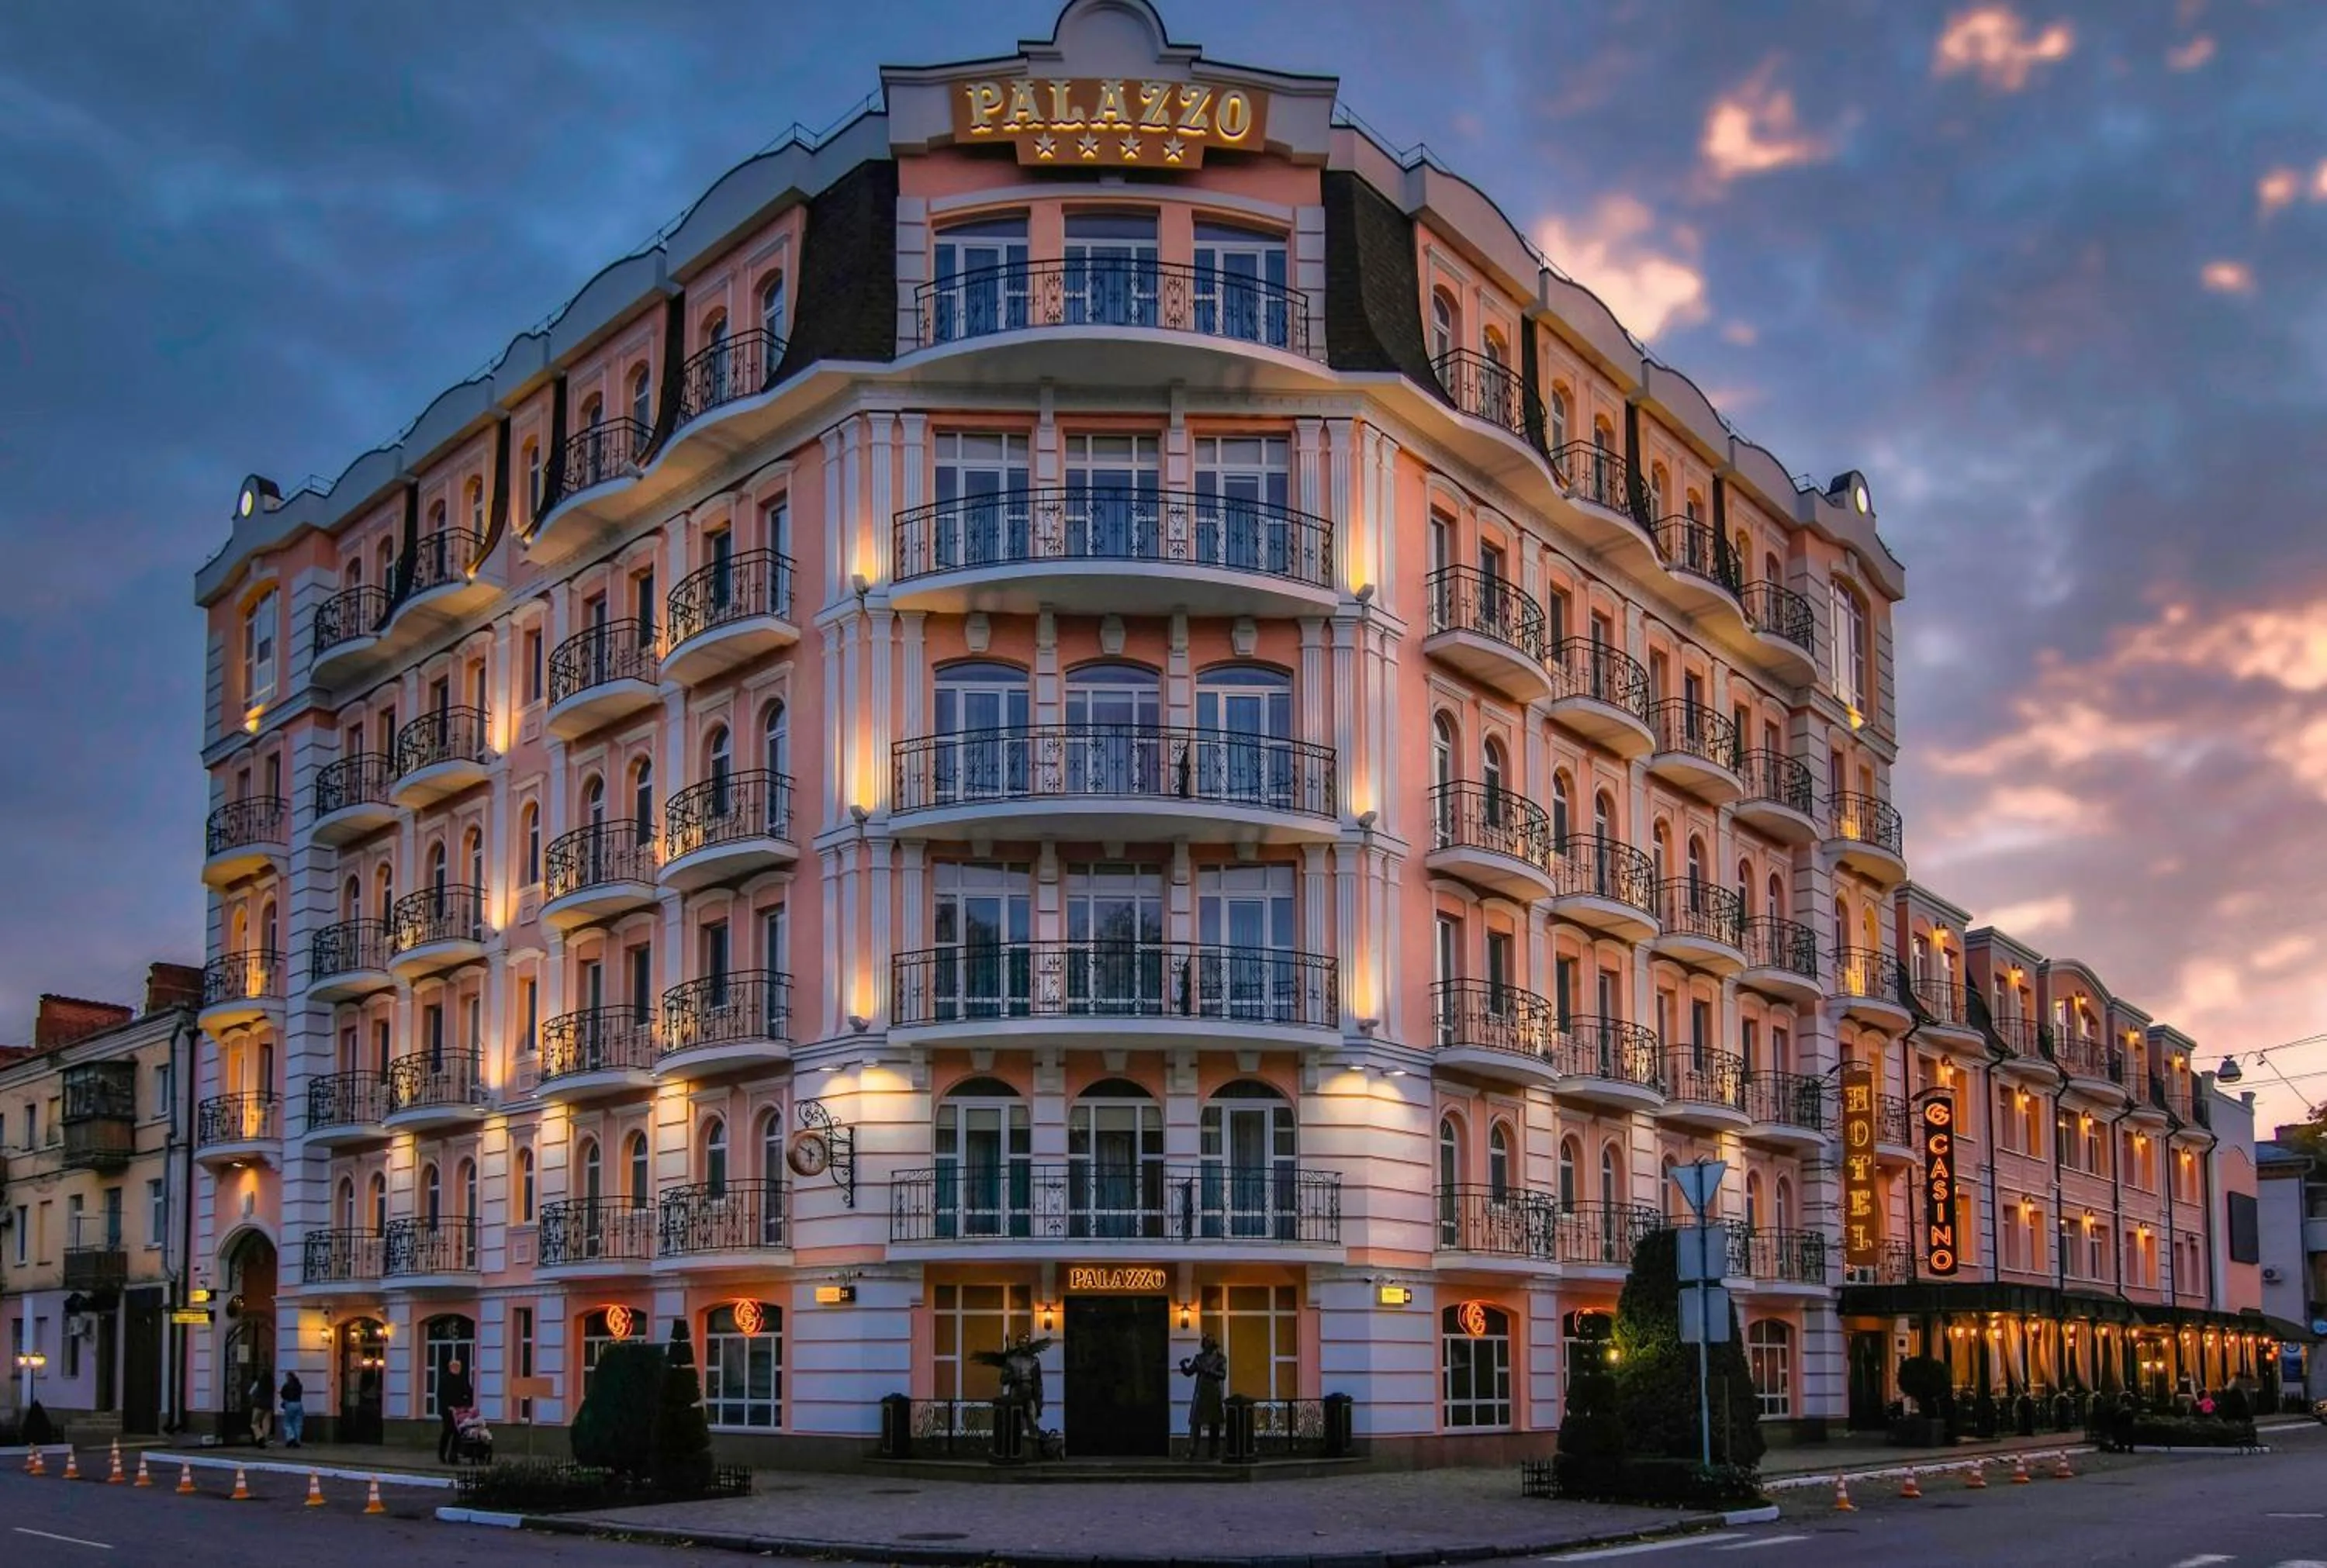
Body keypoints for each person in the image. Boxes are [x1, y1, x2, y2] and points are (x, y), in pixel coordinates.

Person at [1178, 1334, 1228, 1459]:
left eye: (1210, 1342)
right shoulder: (1199, 1358)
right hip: (1200, 1393)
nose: (1207, 1345)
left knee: (1214, 1424)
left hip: (1213, 1393)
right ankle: (1192, 1450)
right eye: (1206, 1342)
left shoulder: (1220, 1359)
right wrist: (1183, 1366)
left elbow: (1222, 1375)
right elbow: (1190, 1372)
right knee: (1196, 1422)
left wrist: (1208, 1371)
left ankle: (1214, 1451)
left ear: (1213, 1344)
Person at [436, 1357, 474, 1464]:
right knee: (448, 1432)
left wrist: (468, 1405)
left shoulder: (462, 1379)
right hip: (448, 1411)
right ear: (451, 1367)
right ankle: (442, 1455)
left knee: (458, 1433)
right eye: (456, 1367)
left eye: (459, 1367)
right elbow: (441, 1395)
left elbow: (469, 1392)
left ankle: (453, 1456)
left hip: (460, 1411)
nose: (458, 1369)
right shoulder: (444, 1379)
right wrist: (448, 1406)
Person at [246, 1371, 275, 1448]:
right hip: (269, 1405)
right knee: (266, 1423)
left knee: (254, 1423)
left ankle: (259, 1437)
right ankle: (265, 1439)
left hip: (259, 1405)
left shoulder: (258, 1383)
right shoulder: (272, 1385)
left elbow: (251, 1393)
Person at [278, 1369, 306, 1449]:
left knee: (288, 1423)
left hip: (289, 1404)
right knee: (298, 1423)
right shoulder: (299, 1385)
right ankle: (297, 1440)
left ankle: (291, 1437)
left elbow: (283, 1394)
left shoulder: (286, 1385)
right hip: (298, 1404)